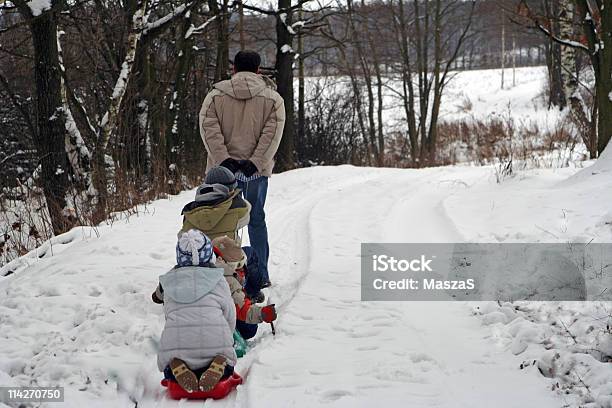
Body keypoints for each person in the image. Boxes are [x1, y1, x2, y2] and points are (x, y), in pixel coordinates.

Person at [199, 50, 285, 288]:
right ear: (258, 70)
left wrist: (224, 159)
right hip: (255, 173)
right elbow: (272, 134)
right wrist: (255, 162)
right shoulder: (273, 99)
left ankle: (217, 273)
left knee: (218, 220)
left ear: (234, 69)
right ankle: (260, 275)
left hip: (221, 173)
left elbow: (208, 127)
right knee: (256, 219)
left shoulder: (215, 96)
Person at [153, 230, 237, 393]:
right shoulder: (219, 280)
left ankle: (177, 368)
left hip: (178, 348)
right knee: (229, 366)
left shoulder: (170, 282)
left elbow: (169, 314)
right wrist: (228, 337)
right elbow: (229, 314)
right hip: (215, 347)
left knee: (168, 371)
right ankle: (218, 364)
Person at [212, 236, 277, 340]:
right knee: (251, 328)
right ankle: (250, 296)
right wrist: (262, 313)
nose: (241, 269)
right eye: (237, 265)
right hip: (221, 318)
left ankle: (250, 293)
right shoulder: (229, 280)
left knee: (250, 252)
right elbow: (243, 310)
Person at [179, 166, 250, 242]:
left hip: (198, 253)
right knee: (250, 251)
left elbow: (181, 236)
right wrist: (233, 197)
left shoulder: (189, 213)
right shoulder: (236, 211)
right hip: (226, 252)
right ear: (229, 189)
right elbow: (247, 214)